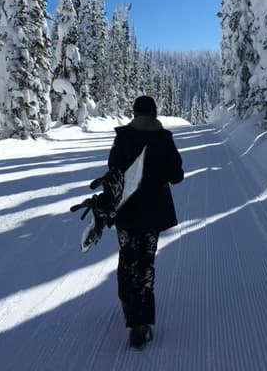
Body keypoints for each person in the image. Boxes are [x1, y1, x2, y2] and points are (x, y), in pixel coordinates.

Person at [107, 95, 184, 350]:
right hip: (154, 212)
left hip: (126, 210)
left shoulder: (123, 137)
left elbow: (113, 173)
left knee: (127, 255)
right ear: (153, 113)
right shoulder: (164, 138)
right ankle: (141, 325)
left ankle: (127, 302)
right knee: (145, 262)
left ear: (135, 112)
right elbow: (177, 177)